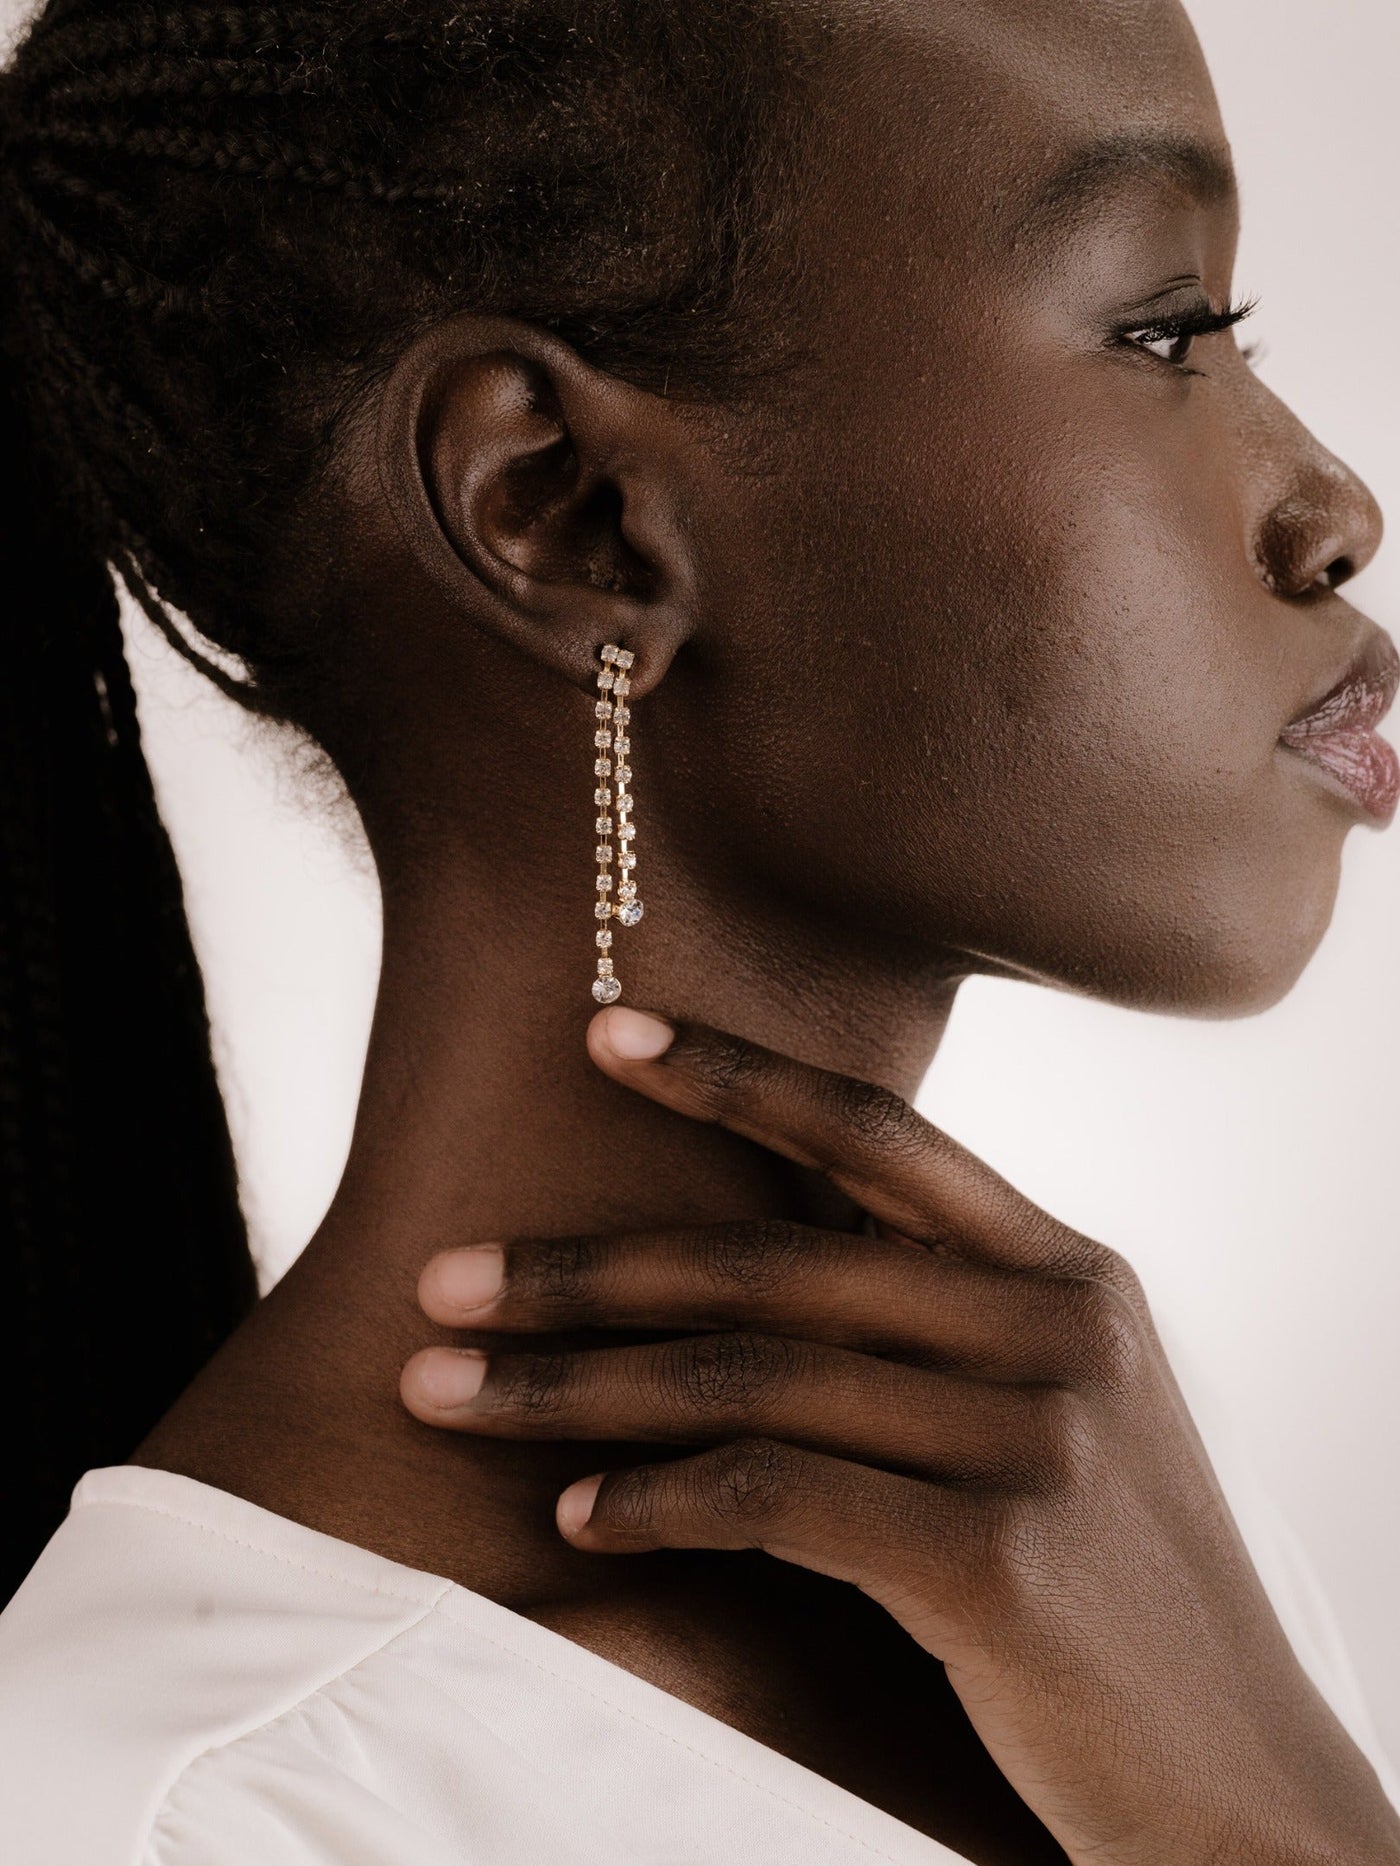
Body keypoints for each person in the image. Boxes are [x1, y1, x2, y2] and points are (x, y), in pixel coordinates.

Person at [0, 0, 1397, 1860]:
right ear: (569, 515)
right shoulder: (163, 1813)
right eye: (1169, 332)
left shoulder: (1097, 1500)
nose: (1336, 510)